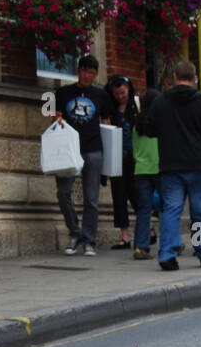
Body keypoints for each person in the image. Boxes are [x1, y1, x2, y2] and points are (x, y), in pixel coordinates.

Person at [144, 59, 201, 271]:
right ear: (195, 78)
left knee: (171, 210)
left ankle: (167, 254)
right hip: (197, 164)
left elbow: (149, 129)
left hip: (170, 165)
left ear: (174, 78)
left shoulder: (161, 102)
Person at [53, 53, 111, 255]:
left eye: (92, 73)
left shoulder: (101, 95)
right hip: (68, 150)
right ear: (78, 71)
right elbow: (55, 117)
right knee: (63, 192)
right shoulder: (62, 93)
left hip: (93, 149)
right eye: (85, 71)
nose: (88, 76)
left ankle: (89, 239)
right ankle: (74, 231)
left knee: (91, 198)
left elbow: (106, 122)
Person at [105, 75, 139, 248]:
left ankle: (146, 229)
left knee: (136, 194)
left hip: (135, 156)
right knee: (118, 196)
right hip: (115, 156)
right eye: (116, 93)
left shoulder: (137, 106)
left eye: (123, 93)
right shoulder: (109, 109)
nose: (120, 96)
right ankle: (124, 236)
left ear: (129, 89)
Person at [132, 88, 161, 260]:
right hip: (159, 168)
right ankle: (171, 243)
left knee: (143, 210)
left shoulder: (137, 124)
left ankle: (140, 247)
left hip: (140, 170)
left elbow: (135, 148)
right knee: (167, 208)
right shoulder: (161, 123)